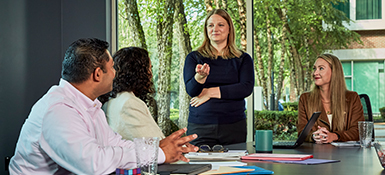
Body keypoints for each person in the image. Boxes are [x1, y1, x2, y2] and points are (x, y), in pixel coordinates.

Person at [8, 38, 198, 174]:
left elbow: (115, 143)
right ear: (98, 74)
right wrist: (158, 154)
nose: (116, 73)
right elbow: (94, 164)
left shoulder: (90, 105)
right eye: (113, 67)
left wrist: (159, 147)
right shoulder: (58, 109)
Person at [183, 9, 254, 147]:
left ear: (229, 29)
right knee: (199, 168)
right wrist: (200, 77)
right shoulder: (194, 57)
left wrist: (210, 92)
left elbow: (245, 88)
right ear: (206, 30)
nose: (215, 29)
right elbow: (192, 91)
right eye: (210, 25)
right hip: (200, 126)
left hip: (233, 126)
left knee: (234, 168)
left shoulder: (242, 58)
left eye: (220, 25)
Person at [99, 47, 165, 141]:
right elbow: (154, 144)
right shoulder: (129, 103)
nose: (151, 74)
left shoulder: (111, 100)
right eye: (149, 69)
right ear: (139, 73)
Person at [297, 53, 364, 144]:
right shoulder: (305, 99)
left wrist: (334, 136)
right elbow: (302, 132)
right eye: (314, 68)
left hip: (345, 155)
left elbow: (358, 131)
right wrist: (314, 136)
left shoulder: (352, 98)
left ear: (334, 72)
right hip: (316, 154)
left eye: (321, 68)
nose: (315, 73)